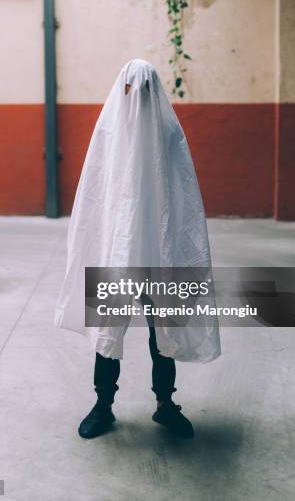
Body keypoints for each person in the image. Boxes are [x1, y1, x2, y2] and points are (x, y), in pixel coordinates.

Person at [54, 59, 221, 439]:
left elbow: (184, 200)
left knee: (162, 328)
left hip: (159, 251)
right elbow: (95, 195)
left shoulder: (169, 133)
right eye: (132, 90)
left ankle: (165, 404)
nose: (138, 99)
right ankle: (103, 405)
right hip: (117, 247)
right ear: (122, 90)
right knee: (108, 324)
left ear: (154, 93)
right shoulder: (109, 133)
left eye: (145, 91)